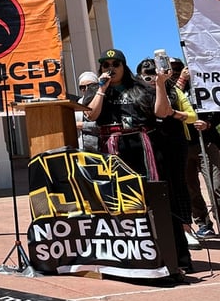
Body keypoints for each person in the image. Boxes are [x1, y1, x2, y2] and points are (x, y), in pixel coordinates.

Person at [136, 57, 195, 272]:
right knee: (159, 193)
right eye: (146, 74)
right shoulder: (139, 93)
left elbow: (191, 115)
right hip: (152, 147)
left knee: (179, 188)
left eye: (154, 72)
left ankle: (186, 232)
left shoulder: (172, 90)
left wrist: (174, 113)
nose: (151, 78)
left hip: (175, 144)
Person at [82, 49, 164, 179]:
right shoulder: (94, 89)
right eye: (106, 65)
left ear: (123, 67)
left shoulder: (140, 87)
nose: (111, 68)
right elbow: (91, 116)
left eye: (115, 64)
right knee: (117, 188)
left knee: (146, 185)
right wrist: (101, 89)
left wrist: (161, 85)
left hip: (139, 142)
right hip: (110, 143)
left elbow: (160, 113)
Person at [175, 63, 220, 239]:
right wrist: (182, 79)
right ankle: (203, 223)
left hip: (207, 143)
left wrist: (207, 123)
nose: (176, 72)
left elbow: (216, 108)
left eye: (179, 68)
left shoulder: (202, 85)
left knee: (216, 186)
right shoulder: (172, 89)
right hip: (185, 145)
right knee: (191, 187)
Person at [75, 71, 99, 150]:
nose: (86, 89)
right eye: (82, 87)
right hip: (83, 148)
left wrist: (81, 125)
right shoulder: (79, 102)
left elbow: (102, 124)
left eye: (90, 86)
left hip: (100, 147)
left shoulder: (101, 100)